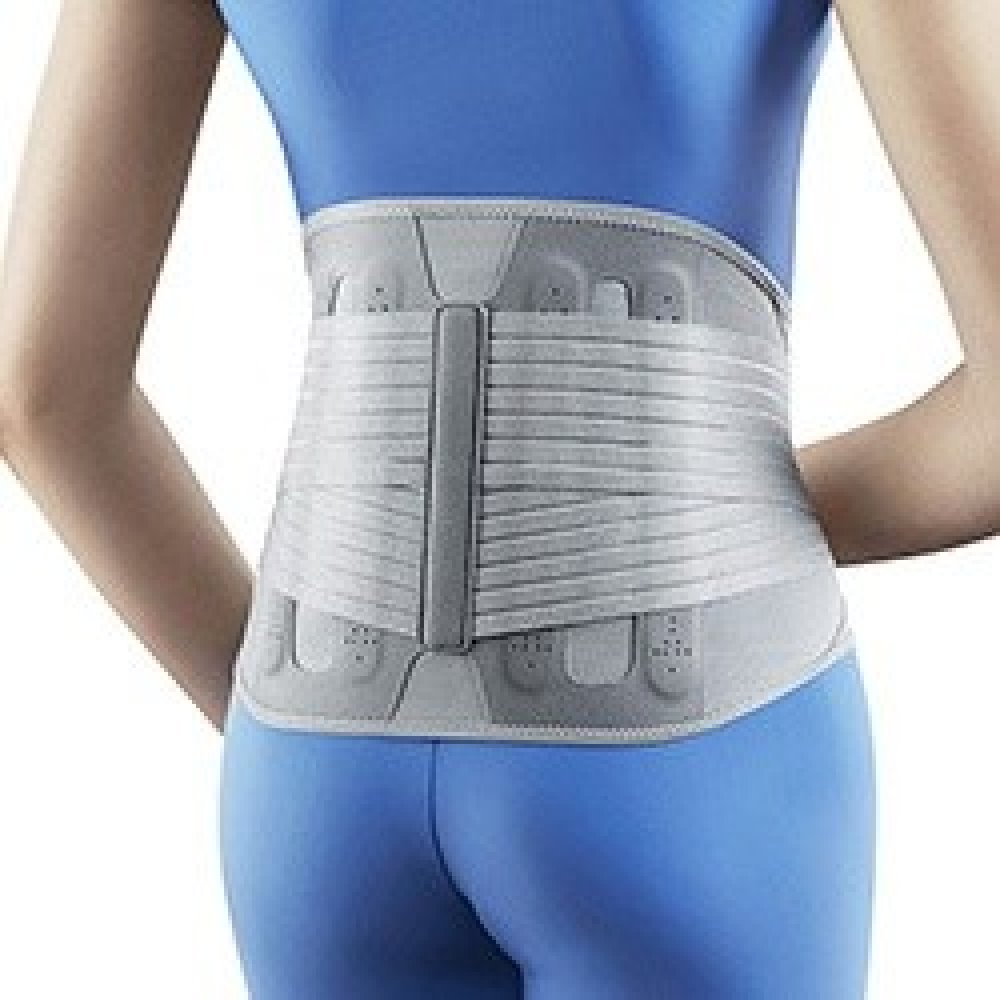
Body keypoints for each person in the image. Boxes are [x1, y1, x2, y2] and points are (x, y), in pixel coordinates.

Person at [2, 2, 998, 997]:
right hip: (688, 751)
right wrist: (696, 520)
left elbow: (42, 396)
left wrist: (303, 700)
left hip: (319, 767)